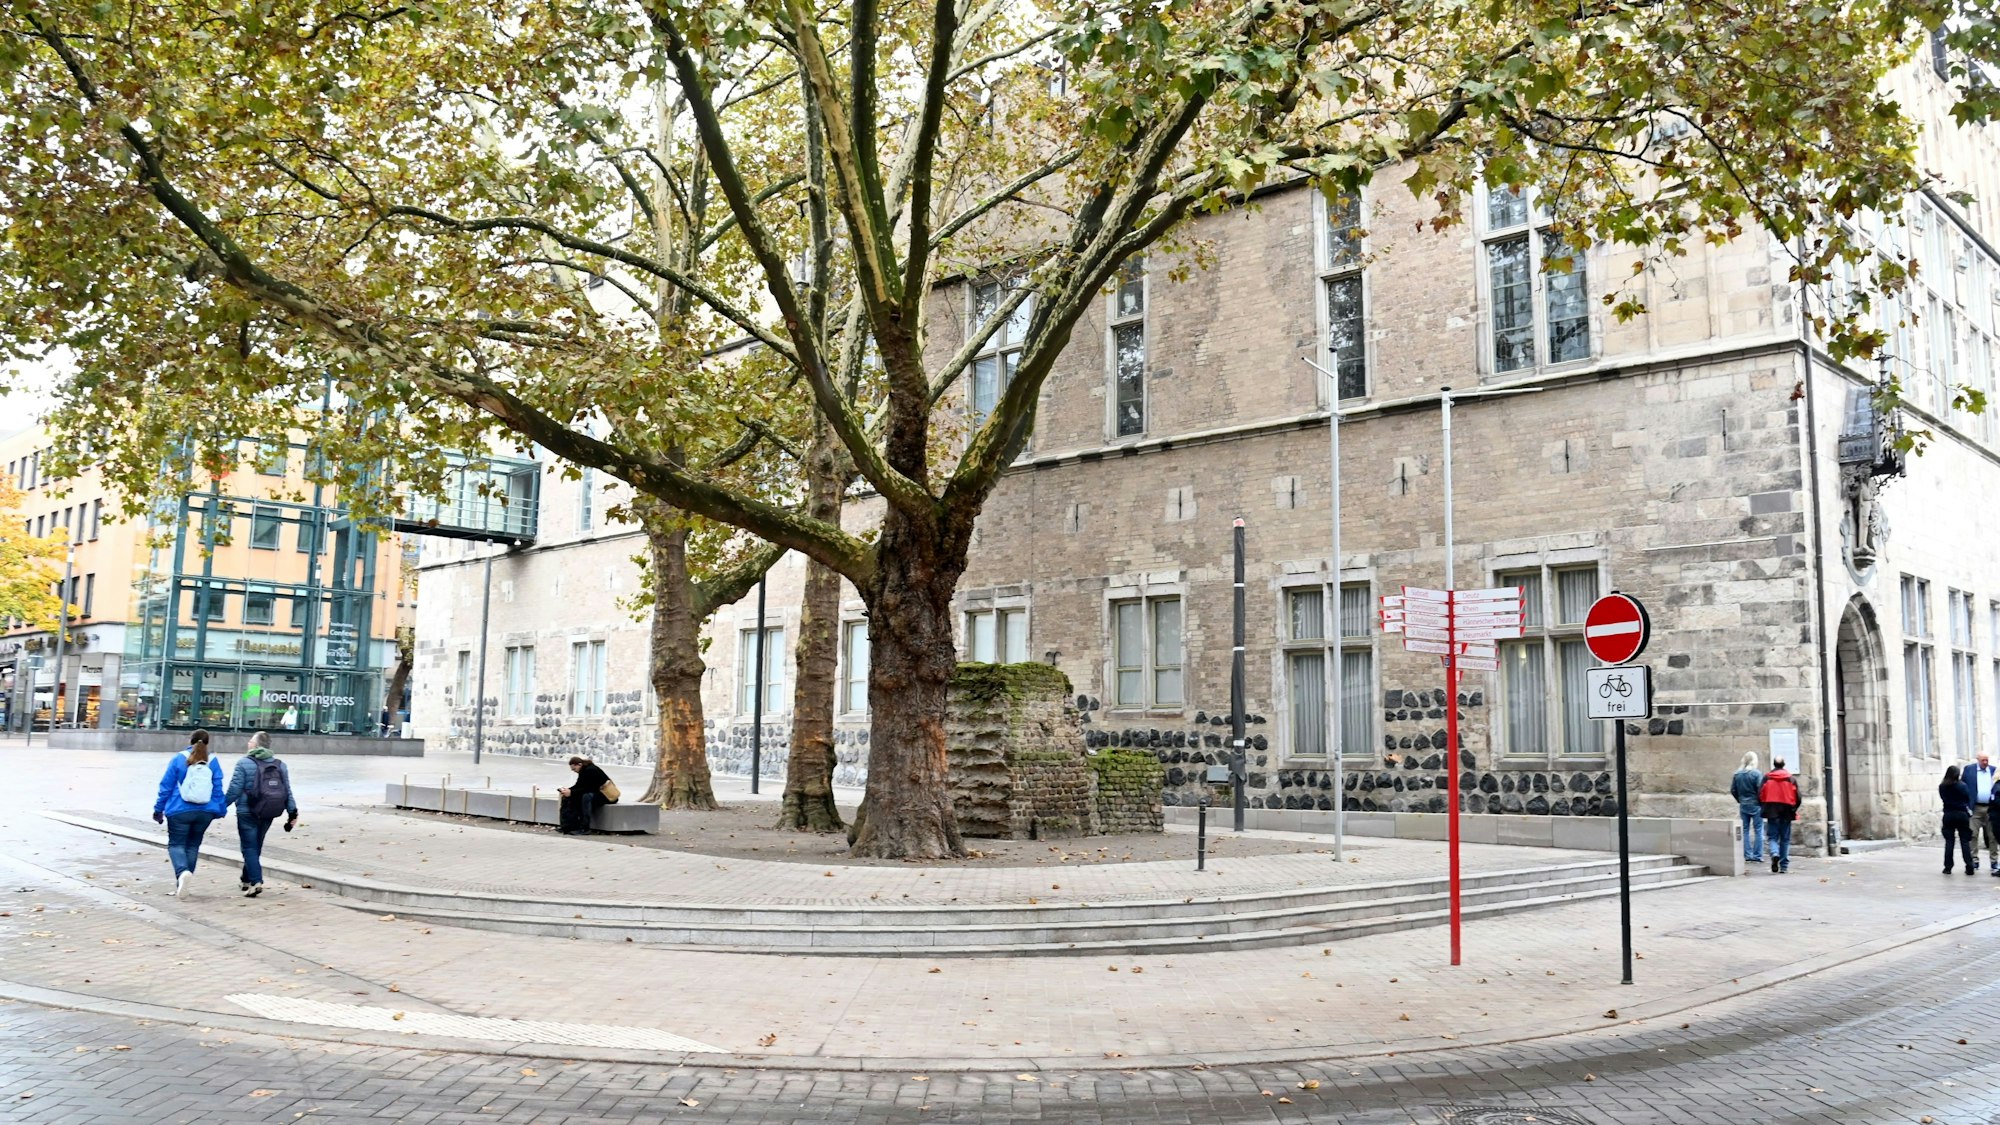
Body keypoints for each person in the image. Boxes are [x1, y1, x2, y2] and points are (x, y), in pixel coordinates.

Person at [151, 729, 227, 896]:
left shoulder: (178, 759)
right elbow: (218, 788)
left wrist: (158, 809)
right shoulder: (213, 761)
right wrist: (221, 808)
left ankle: (182, 873)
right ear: (207, 743)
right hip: (205, 812)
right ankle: (183, 883)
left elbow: (166, 786)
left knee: (176, 844)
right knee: (193, 846)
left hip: (179, 810)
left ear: (190, 740)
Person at [224, 731, 297, 897]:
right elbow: (287, 791)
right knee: (255, 846)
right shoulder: (280, 765)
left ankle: (256, 881)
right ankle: (245, 879)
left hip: (247, 811)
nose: (248, 743)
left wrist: (220, 807)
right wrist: (292, 812)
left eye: (251, 741)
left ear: (256, 745)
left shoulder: (244, 763)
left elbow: (234, 789)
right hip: (268, 811)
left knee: (249, 847)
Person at [1758, 757, 1802, 874]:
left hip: (1771, 809)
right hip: (1787, 810)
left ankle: (1774, 853)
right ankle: (1784, 866)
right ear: (1784, 764)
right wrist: (1793, 809)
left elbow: (1760, 794)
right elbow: (1798, 797)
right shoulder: (1791, 779)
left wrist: (1764, 806)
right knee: (1785, 839)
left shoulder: (1767, 778)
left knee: (1772, 837)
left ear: (1773, 764)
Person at [557, 756, 617, 835]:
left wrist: (572, 792)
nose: (574, 771)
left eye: (574, 769)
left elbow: (590, 788)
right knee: (570, 796)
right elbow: (579, 785)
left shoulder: (591, 770)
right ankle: (568, 826)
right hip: (595, 792)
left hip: (607, 796)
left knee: (586, 797)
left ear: (579, 764)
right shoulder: (583, 771)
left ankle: (585, 828)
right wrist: (568, 791)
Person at [1965, 752, 2000, 875]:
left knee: (1993, 836)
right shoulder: (1969, 770)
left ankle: (1994, 861)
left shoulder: (1993, 770)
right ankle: (1974, 860)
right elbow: (1964, 786)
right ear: (1978, 760)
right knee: (1973, 834)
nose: (1985, 762)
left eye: (1987, 760)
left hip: (1991, 809)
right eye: (1983, 760)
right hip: (1976, 808)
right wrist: (1966, 805)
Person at [1730, 752, 1765, 866]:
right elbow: (1761, 790)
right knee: (1758, 830)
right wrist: (1761, 803)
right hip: (1756, 804)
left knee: (1744, 830)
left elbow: (1733, 790)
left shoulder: (1737, 774)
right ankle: (1757, 855)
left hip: (1744, 805)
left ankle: (1747, 855)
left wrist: (1740, 800)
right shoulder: (1756, 774)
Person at [1942, 765, 1976, 876]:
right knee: (1964, 841)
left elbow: (1944, 798)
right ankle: (1969, 866)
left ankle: (1948, 867)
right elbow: (1967, 798)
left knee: (1949, 842)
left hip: (1948, 814)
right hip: (1961, 814)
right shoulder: (1962, 786)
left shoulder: (1942, 786)